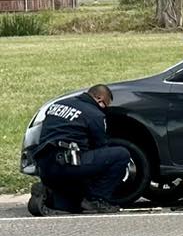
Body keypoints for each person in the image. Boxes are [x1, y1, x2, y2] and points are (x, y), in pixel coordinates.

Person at [27, 85, 130, 217]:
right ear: (99, 98)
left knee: (71, 206)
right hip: (68, 164)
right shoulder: (95, 114)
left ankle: (47, 194)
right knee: (121, 154)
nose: (105, 108)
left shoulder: (58, 104)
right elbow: (101, 147)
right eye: (105, 104)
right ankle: (96, 200)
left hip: (44, 164)